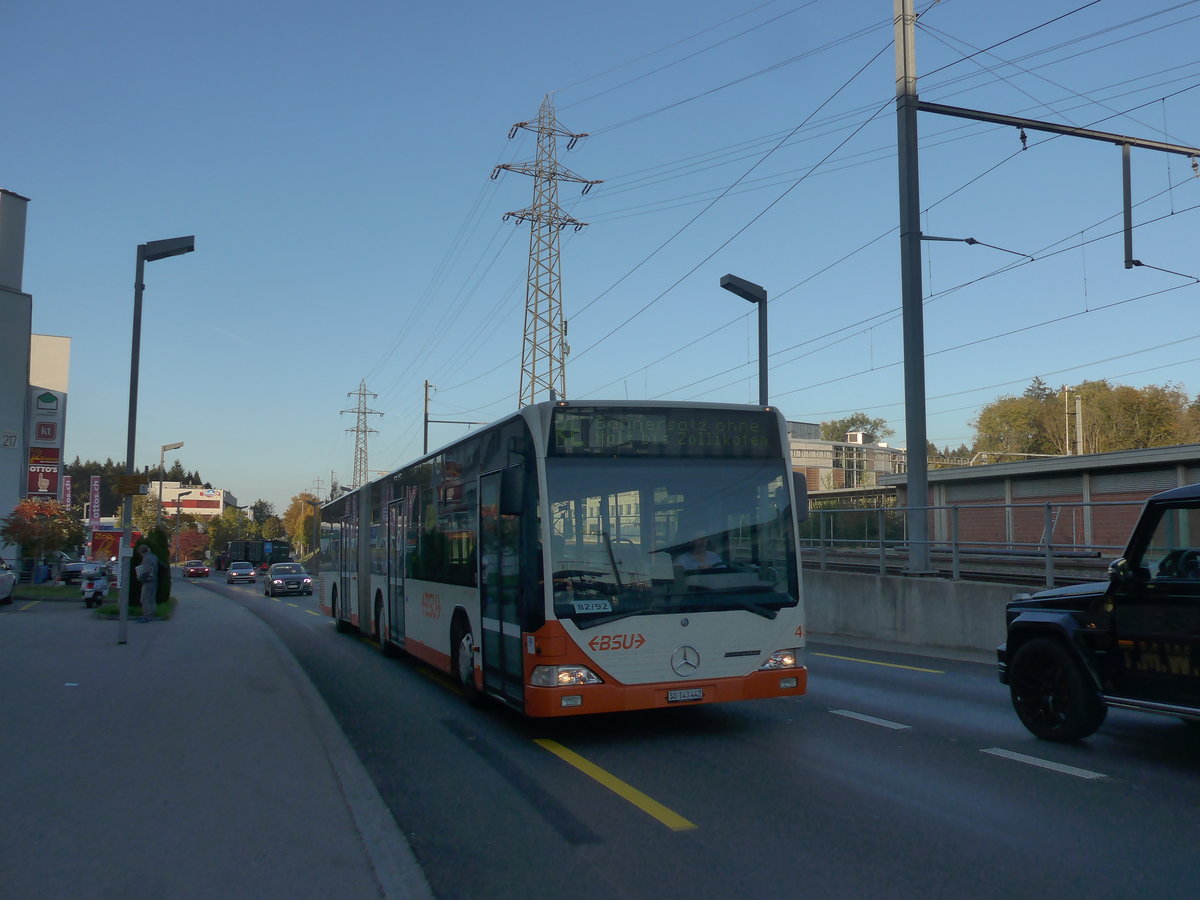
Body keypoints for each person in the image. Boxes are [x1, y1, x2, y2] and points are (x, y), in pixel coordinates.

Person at [135, 543, 160, 622]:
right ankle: (152, 615)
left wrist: (140, 577)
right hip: (154, 580)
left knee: (144, 599)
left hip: (148, 581)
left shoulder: (146, 558)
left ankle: (147, 616)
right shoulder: (153, 556)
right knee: (152, 599)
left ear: (142, 552)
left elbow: (147, 570)